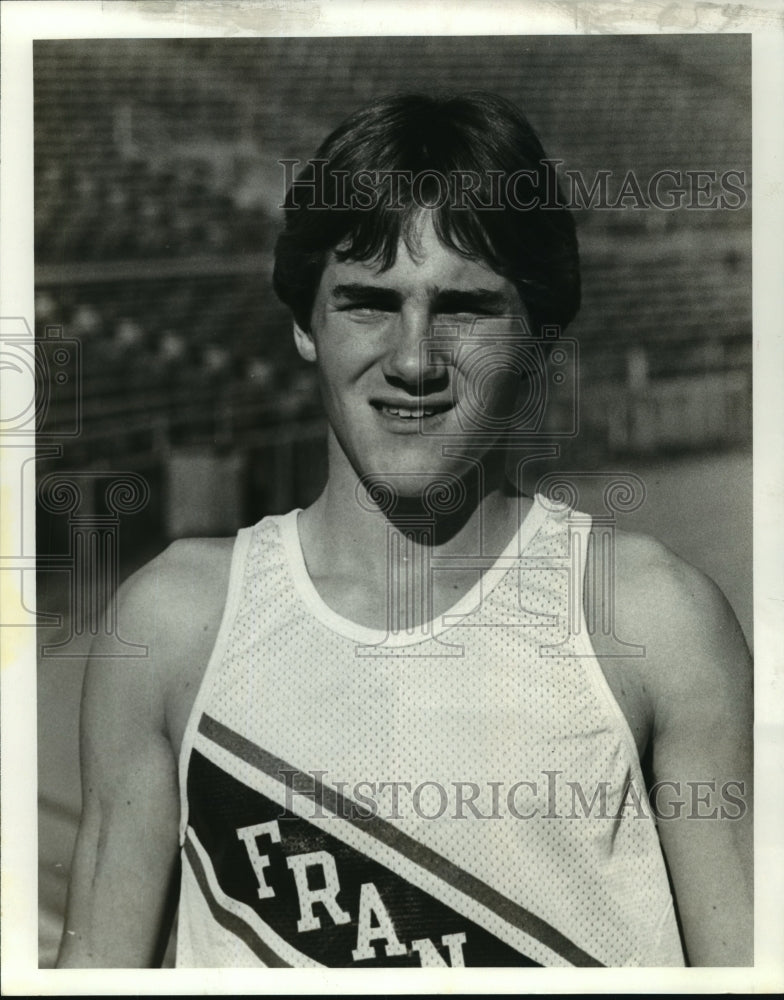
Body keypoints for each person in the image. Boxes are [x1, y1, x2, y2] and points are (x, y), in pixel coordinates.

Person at [56, 92, 752, 969]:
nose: (415, 359)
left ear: (538, 336)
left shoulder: (655, 624)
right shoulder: (172, 626)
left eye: (463, 307)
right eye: (368, 302)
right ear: (304, 323)